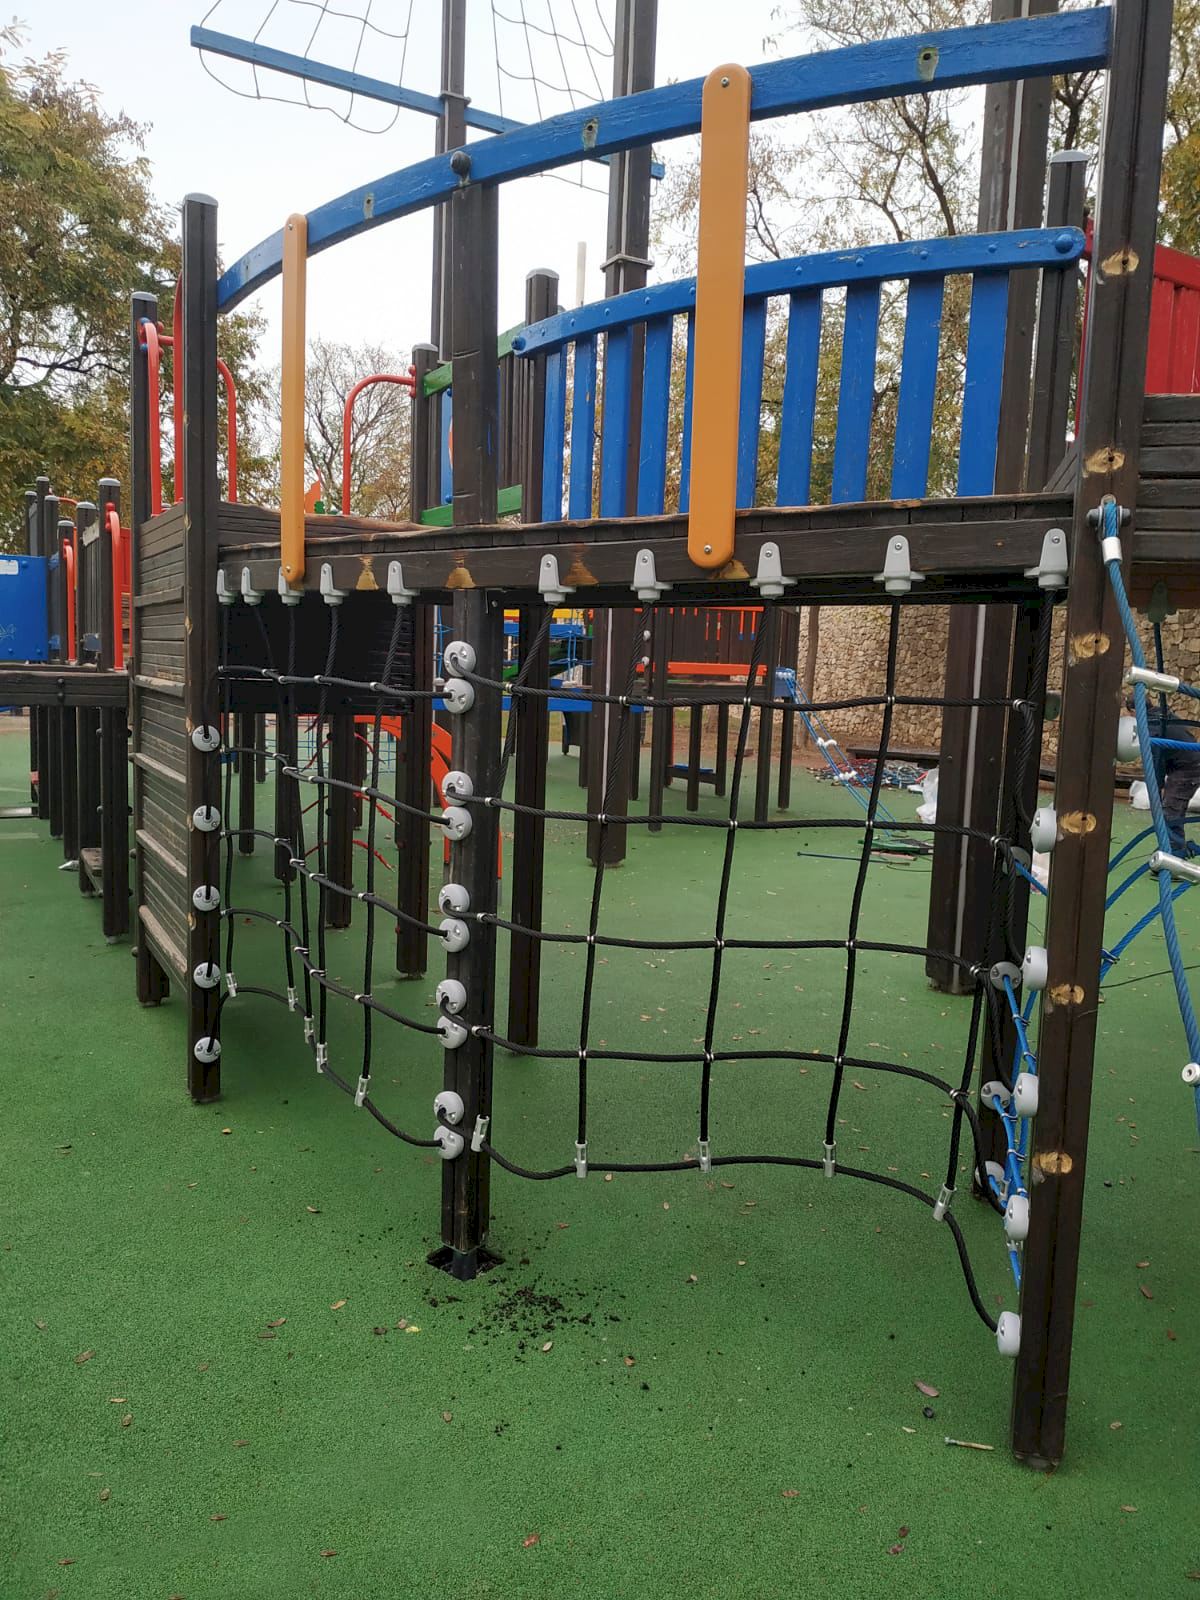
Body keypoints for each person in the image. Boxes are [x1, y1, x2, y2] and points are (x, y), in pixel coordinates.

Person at [1130, 694, 1200, 856]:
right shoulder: (1163, 714)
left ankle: (1174, 850)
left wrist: (1156, 790)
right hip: (1189, 761)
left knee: (1171, 810)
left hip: (1187, 768)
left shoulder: (1151, 728)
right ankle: (1174, 846)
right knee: (1175, 809)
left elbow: (1156, 762)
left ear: (1133, 711)